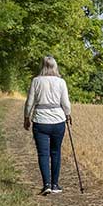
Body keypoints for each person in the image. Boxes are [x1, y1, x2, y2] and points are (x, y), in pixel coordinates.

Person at [23, 55, 72, 195]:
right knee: (56, 152)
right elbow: (66, 103)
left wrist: (26, 118)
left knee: (43, 154)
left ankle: (47, 185)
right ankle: (56, 184)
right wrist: (68, 114)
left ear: (42, 66)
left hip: (40, 120)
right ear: (55, 66)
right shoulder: (61, 82)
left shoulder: (36, 81)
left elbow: (29, 102)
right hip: (58, 120)